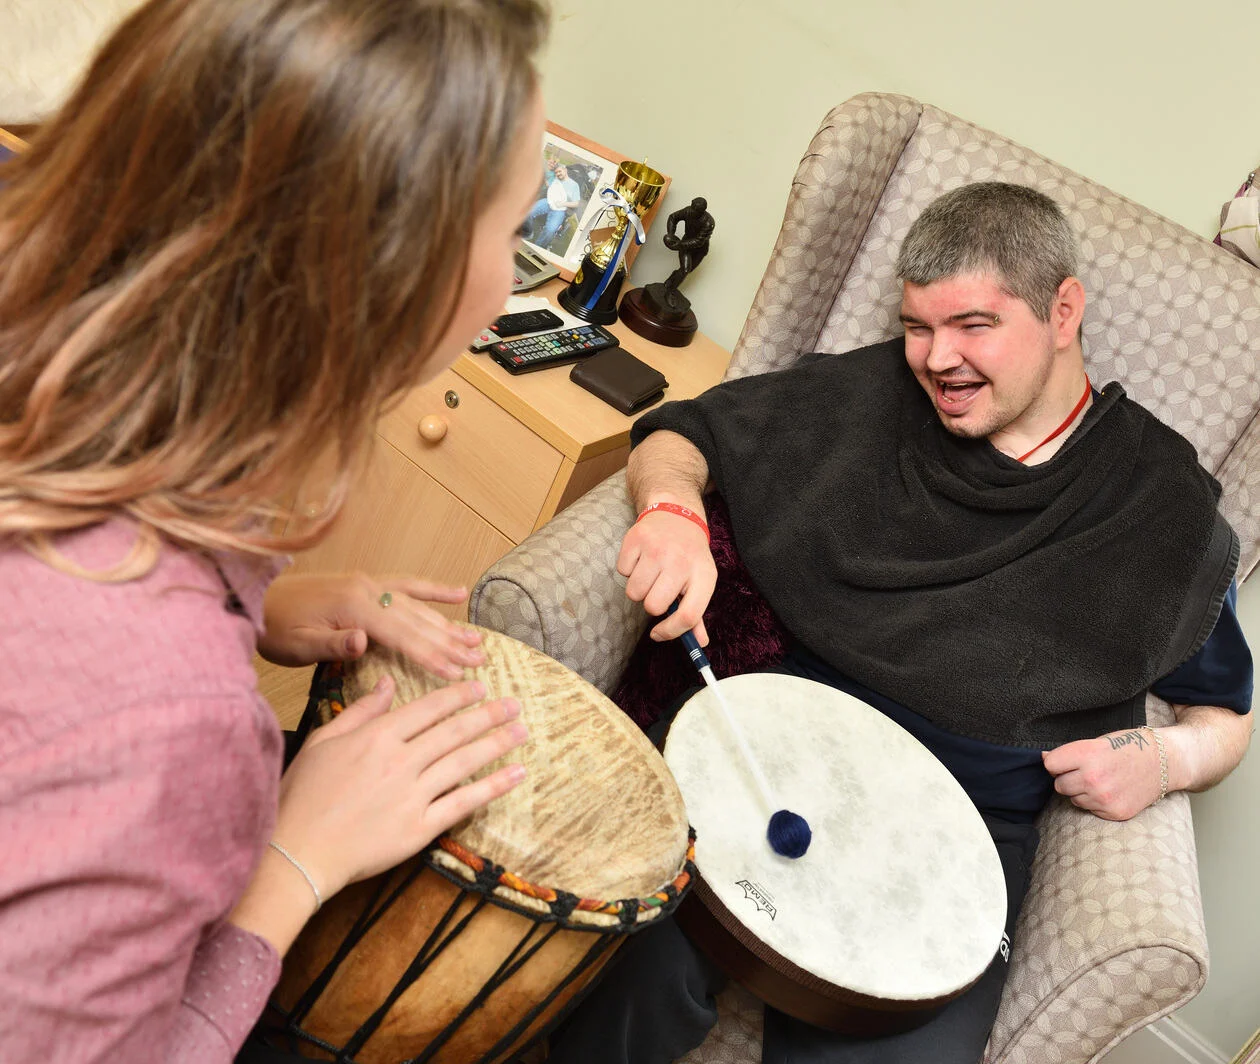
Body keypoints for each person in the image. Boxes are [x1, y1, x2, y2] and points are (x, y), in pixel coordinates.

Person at [546, 182, 1254, 1064]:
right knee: (620, 955)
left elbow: (1228, 718)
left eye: (972, 326)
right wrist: (673, 511)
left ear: (1063, 309)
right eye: (919, 326)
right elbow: (682, 433)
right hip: (775, 745)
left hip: (963, 837)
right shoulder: (875, 393)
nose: (935, 359)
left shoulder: (1163, 508)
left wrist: (1166, 756)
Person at [0, 0, 548, 1060]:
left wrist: (255, 604)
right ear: (392, 279)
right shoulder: (170, 723)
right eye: (518, 232)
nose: (515, 285)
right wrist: (292, 859)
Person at [526, 161, 582, 250]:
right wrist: (545, 179)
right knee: (529, 211)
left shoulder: (574, 185)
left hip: (560, 210)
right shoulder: (556, 180)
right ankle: (528, 233)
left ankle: (538, 247)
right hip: (548, 202)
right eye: (556, 172)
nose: (558, 173)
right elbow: (550, 187)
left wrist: (563, 204)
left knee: (550, 229)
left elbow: (576, 203)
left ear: (565, 170)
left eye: (560, 171)